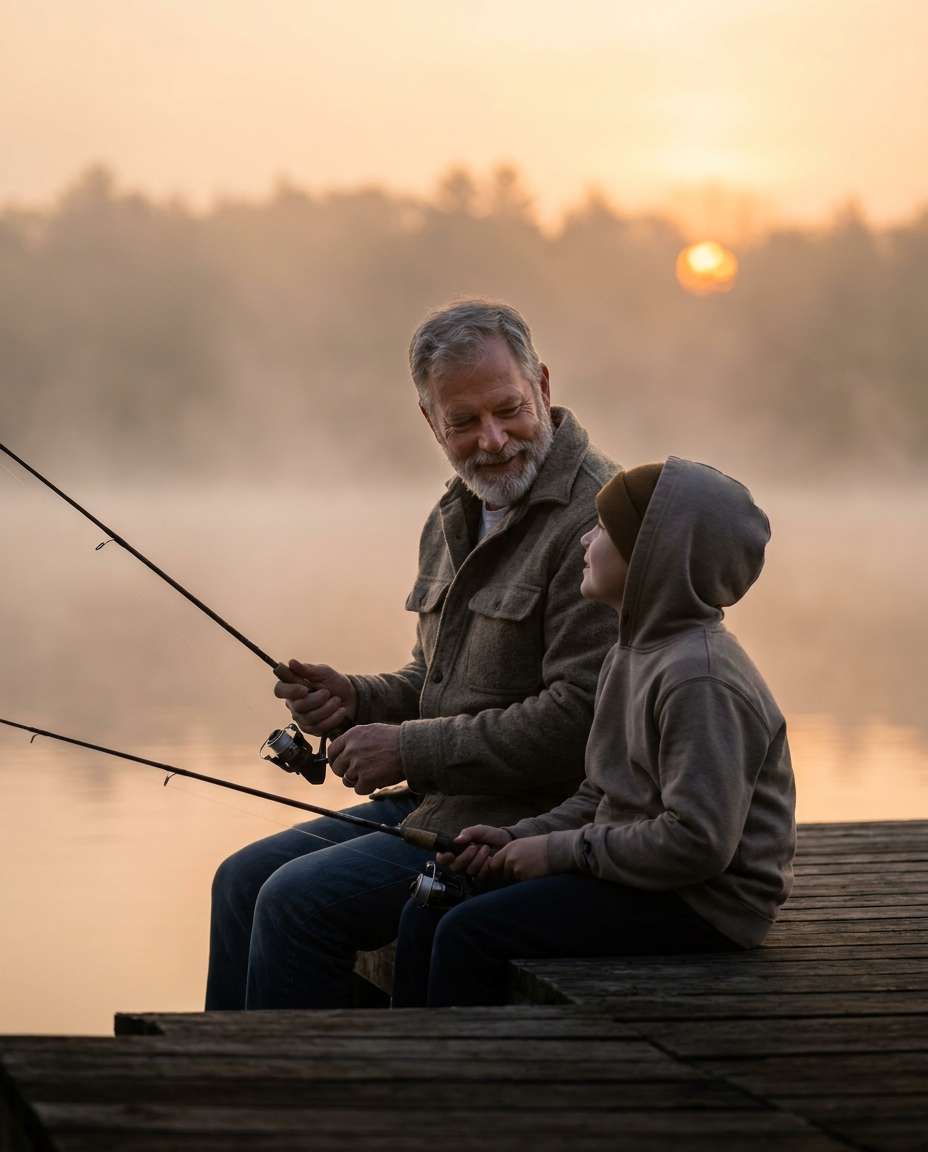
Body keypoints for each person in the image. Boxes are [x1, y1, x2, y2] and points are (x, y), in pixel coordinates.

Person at [206, 299, 617, 1009]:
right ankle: (227, 1093)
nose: (492, 441)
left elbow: (582, 720)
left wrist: (408, 750)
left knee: (294, 904)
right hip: (439, 801)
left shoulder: (600, 521)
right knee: (239, 880)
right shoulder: (457, 510)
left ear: (544, 386)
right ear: (430, 421)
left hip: (524, 823)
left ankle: (307, 1107)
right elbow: (434, 680)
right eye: (463, 422)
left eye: (509, 410)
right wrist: (357, 699)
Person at [392, 457, 797, 1007]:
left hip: (704, 903)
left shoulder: (700, 678)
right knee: (434, 902)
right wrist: (519, 837)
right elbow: (600, 795)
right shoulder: (631, 653)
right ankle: (415, 1072)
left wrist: (560, 853)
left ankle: (470, 1080)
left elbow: (697, 844)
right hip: (639, 872)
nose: (586, 535)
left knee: (471, 932)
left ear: (653, 556)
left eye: (605, 527)